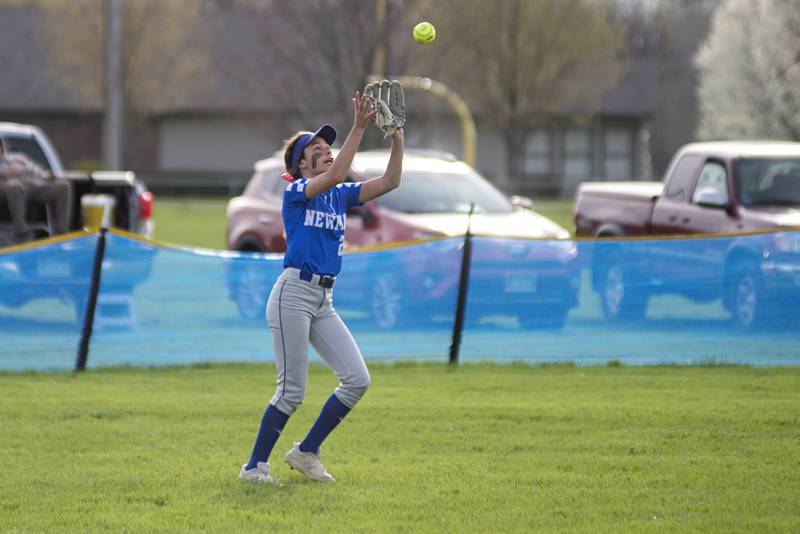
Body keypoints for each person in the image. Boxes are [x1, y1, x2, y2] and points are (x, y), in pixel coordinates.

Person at [239, 90, 404, 484]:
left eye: (327, 144)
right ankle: (254, 468)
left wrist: (396, 135)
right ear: (299, 164)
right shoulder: (295, 192)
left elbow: (392, 180)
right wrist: (359, 126)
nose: (326, 150)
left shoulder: (338, 196)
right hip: (292, 295)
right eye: (316, 147)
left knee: (357, 380)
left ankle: (306, 452)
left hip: (323, 300)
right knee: (291, 391)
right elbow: (331, 175)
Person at [0, 138, 73, 243]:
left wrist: (44, 175)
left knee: (63, 186)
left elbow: (36, 169)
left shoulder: (17, 157)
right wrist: (5, 171)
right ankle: (21, 232)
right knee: (15, 186)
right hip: (6, 189)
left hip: (30, 186)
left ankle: (61, 233)